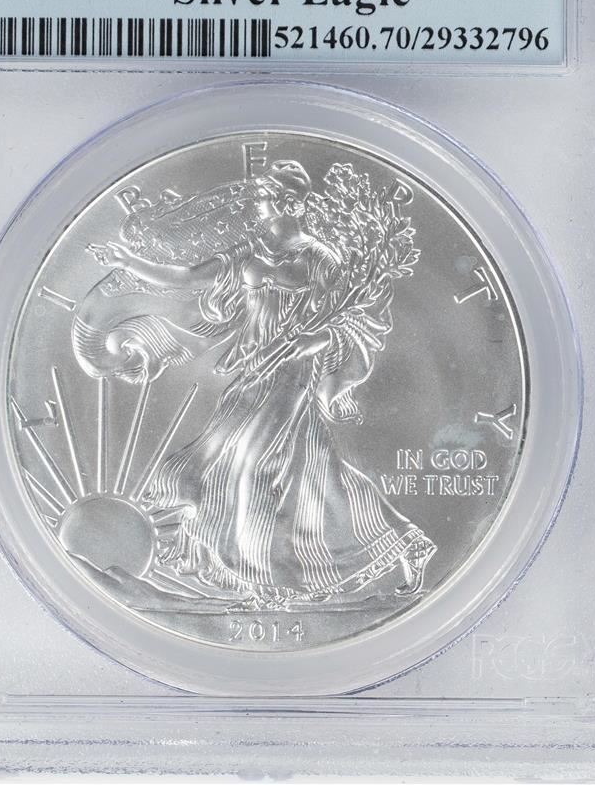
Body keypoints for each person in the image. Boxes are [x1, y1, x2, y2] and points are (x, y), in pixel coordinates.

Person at [82, 159, 434, 607]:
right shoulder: (248, 253)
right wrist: (129, 261)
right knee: (300, 473)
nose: (260, 206)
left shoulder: (319, 259)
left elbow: (354, 321)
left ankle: (266, 584)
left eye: (267, 198)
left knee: (253, 467)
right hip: (253, 372)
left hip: (293, 375)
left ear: (290, 203)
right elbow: (188, 278)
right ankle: (404, 541)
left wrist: (313, 340)